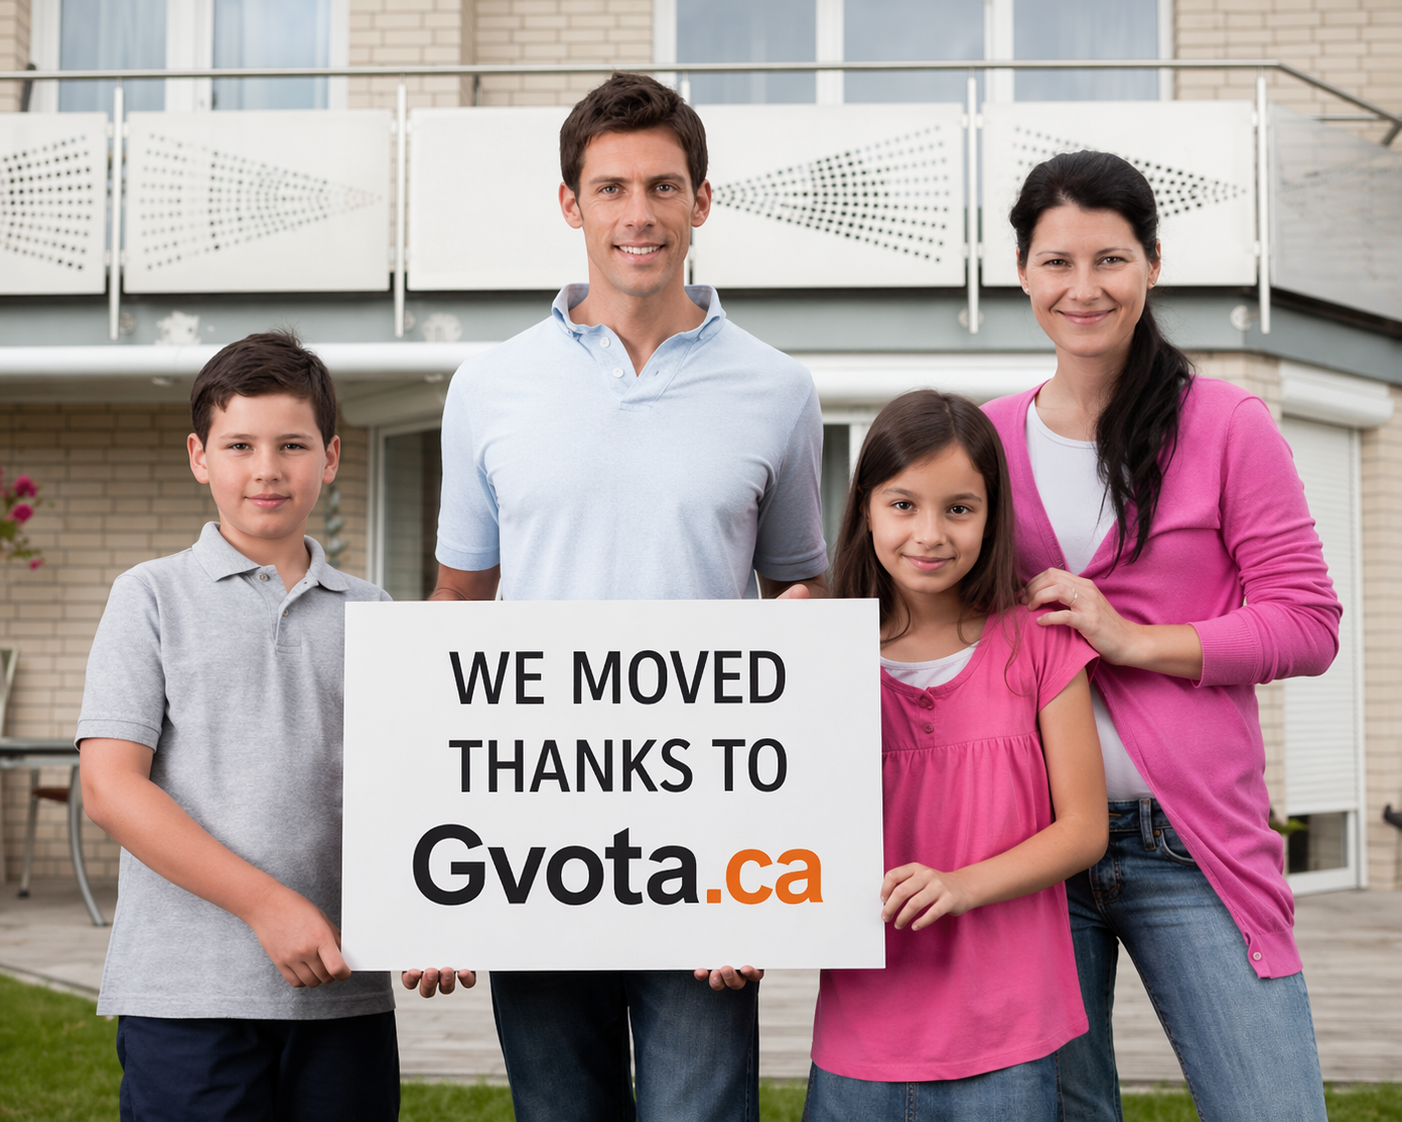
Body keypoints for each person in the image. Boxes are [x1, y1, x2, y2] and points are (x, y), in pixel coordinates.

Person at [404, 72, 829, 1122]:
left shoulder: (778, 389)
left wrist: (776, 864)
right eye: (611, 189)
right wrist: (434, 865)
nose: (638, 214)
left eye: (662, 186)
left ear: (701, 201)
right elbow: (456, 614)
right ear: (571, 204)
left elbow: (800, 605)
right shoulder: (486, 388)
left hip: (710, 839)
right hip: (532, 830)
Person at [982, 150, 1340, 1122]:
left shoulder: (1226, 425)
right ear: (1021, 272)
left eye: (1110, 259)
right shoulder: (988, 440)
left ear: (1150, 265)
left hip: (1191, 843)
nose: (1083, 287)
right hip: (1035, 844)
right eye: (1057, 262)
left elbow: (1307, 623)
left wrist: (1135, 641)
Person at [76, 332, 398, 1121]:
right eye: (240, 445)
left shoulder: (375, 612)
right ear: (200, 457)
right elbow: (111, 789)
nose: (266, 469)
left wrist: (433, 919)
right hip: (187, 995)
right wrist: (266, 905)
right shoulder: (149, 597)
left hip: (345, 992)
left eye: (292, 445)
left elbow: (408, 791)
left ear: (330, 457)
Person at [804, 390, 1108, 1120]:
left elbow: (1084, 830)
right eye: (902, 505)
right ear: (866, 509)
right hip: (860, 1034)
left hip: (1010, 1036)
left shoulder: (1040, 642)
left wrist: (962, 885)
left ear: (992, 515)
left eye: (959, 509)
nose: (930, 534)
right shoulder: (821, 656)